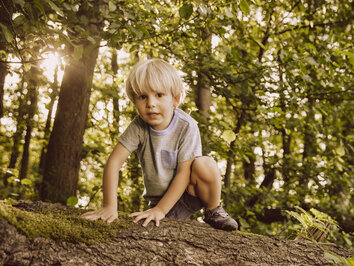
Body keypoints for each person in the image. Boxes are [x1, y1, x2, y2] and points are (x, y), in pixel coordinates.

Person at [81, 58, 238, 231]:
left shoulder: (186, 126)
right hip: (158, 200)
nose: (151, 104)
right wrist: (110, 206)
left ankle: (213, 210)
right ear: (135, 101)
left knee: (205, 163)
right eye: (142, 97)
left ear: (175, 99)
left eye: (159, 95)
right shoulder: (138, 127)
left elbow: (184, 173)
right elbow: (113, 163)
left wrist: (161, 210)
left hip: (188, 193)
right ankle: (163, 214)